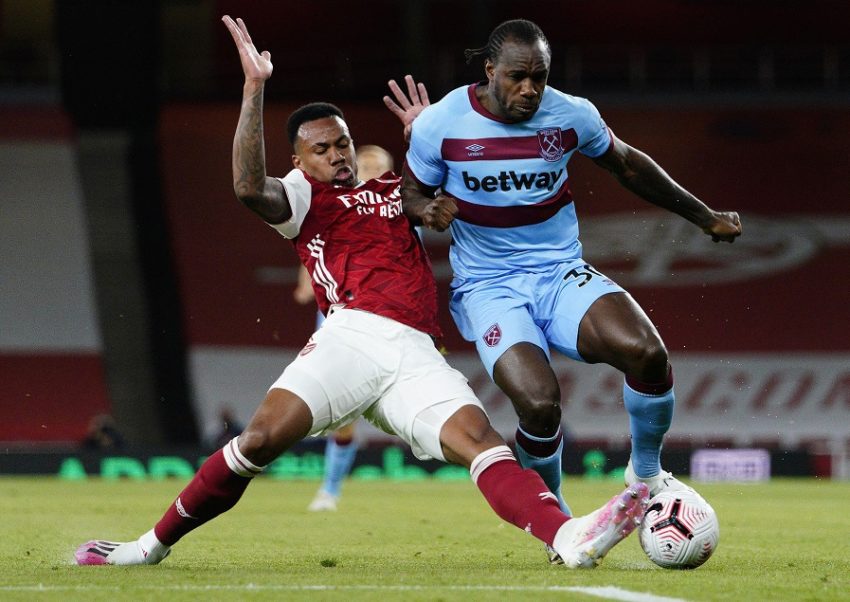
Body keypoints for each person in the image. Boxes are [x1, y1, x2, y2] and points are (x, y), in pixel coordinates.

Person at [73, 16, 648, 570]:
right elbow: (249, 187)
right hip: (351, 337)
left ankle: (569, 536)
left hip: (418, 351)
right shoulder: (301, 201)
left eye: (343, 143)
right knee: (258, 441)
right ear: (299, 161)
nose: (337, 155)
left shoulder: (392, 189)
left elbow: (460, 171)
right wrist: (254, 89)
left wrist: (432, 132)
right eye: (321, 150)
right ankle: (148, 545)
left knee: (481, 442)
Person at [400, 18, 741, 548]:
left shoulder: (571, 114)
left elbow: (628, 166)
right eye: (517, 77)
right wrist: (429, 209)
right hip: (490, 287)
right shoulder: (439, 124)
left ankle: (646, 474)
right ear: (490, 71)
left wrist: (704, 216)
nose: (530, 89)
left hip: (559, 272)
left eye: (539, 76)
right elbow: (409, 194)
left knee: (647, 353)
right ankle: (558, 520)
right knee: (538, 403)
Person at [301, 144, 396, 512]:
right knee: (342, 415)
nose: (370, 169)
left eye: (378, 165)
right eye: (365, 163)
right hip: (340, 316)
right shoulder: (336, 206)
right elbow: (312, 242)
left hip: (389, 317)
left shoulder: (399, 209)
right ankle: (329, 490)